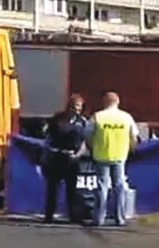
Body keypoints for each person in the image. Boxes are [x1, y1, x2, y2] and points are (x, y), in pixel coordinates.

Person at [86, 91, 139, 227]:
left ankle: (99, 218)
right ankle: (120, 218)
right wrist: (130, 149)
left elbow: (88, 135)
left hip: (101, 155)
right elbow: (134, 136)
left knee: (102, 188)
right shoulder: (126, 117)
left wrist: (92, 149)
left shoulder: (97, 117)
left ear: (104, 102)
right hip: (120, 156)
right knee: (119, 187)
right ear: (118, 102)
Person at [42, 94, 89, 224]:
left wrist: (78, 154)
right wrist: (51, 152)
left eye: (79, 107)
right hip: (56, 157)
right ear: (69, 106)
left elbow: (85, 141)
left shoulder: (83, 122)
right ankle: (49, 215)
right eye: (74, 107)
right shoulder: (57, 119)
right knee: (52, 189)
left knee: (72, 190)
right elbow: (48, 139)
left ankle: (74, 216)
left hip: (73, 159)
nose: (76, 110)